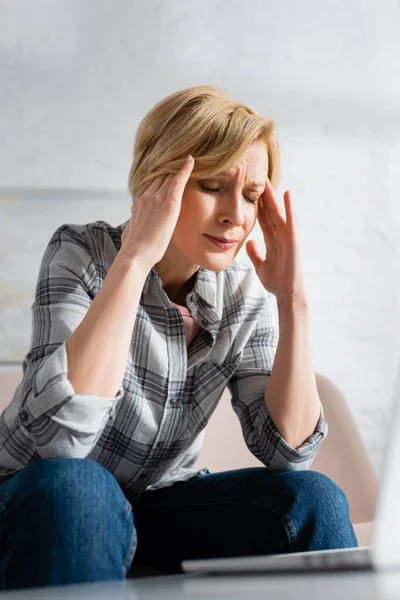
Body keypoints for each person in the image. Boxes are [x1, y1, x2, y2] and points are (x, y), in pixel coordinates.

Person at [0, 85, 357, 590]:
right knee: (78, 489)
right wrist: (135, 259)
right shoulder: (82, 252)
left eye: (252, 196)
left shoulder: (244, 292)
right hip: (37, 494)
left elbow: (289, 453)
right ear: (157, 181)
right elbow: (61, 440)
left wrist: (291, 296)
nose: (237, 214)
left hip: (157, 504)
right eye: (213, 185)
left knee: (313, 497)